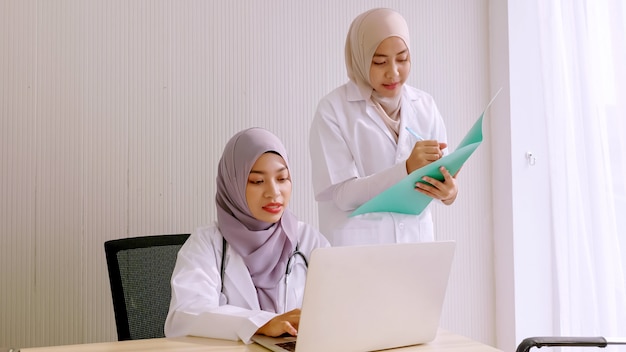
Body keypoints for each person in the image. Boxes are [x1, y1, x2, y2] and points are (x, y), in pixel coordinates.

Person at [309, 8, 459, 246]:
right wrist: (406, 169)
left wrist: (449, 193)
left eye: (402, 59)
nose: (394, 72)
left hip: (415, 246)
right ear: (359, 58)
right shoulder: (333, 110)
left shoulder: (425, 105)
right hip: (359, 253)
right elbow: (342, 195)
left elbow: (443, 172)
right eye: (379, 62)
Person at [164, 127, 330, 343]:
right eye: (257, 181)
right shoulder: (207, 244)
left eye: (282, 178)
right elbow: (183, 317)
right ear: (232, 184)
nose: (274, 192)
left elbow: (341, 307)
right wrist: (261, 323)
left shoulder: (310, 241)